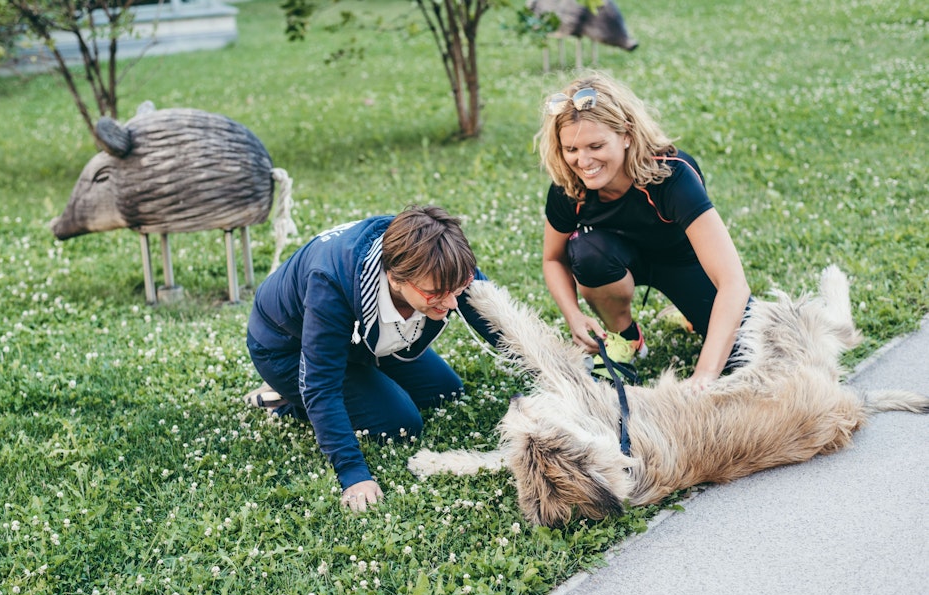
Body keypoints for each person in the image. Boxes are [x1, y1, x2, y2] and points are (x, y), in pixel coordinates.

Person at [244, 205, 500, 512]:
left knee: (445, 391)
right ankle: (288, 399)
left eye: (457, 287)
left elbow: (492, 316)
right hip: (286, 348)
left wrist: (549, 370)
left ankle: (356, 381)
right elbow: (321, 384)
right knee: (401, 423)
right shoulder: (330, 282)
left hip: (361, 341)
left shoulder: (437, 256)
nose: (451, 301)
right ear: (395, 279)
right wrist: (353, 473)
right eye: (435, 294)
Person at [536, 71, 751, 390]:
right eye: (571, 149)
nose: (583, 161)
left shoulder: (673, 176)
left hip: (682, 263)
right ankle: (626, 337)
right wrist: (573, 316)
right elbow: (553, 259)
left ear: (626, 134)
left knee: (745, 352)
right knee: (587, 251)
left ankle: (690, 312)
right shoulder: (569, 187)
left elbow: (734, 283)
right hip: (614, 262)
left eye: (595, 145)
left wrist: (704, 375)